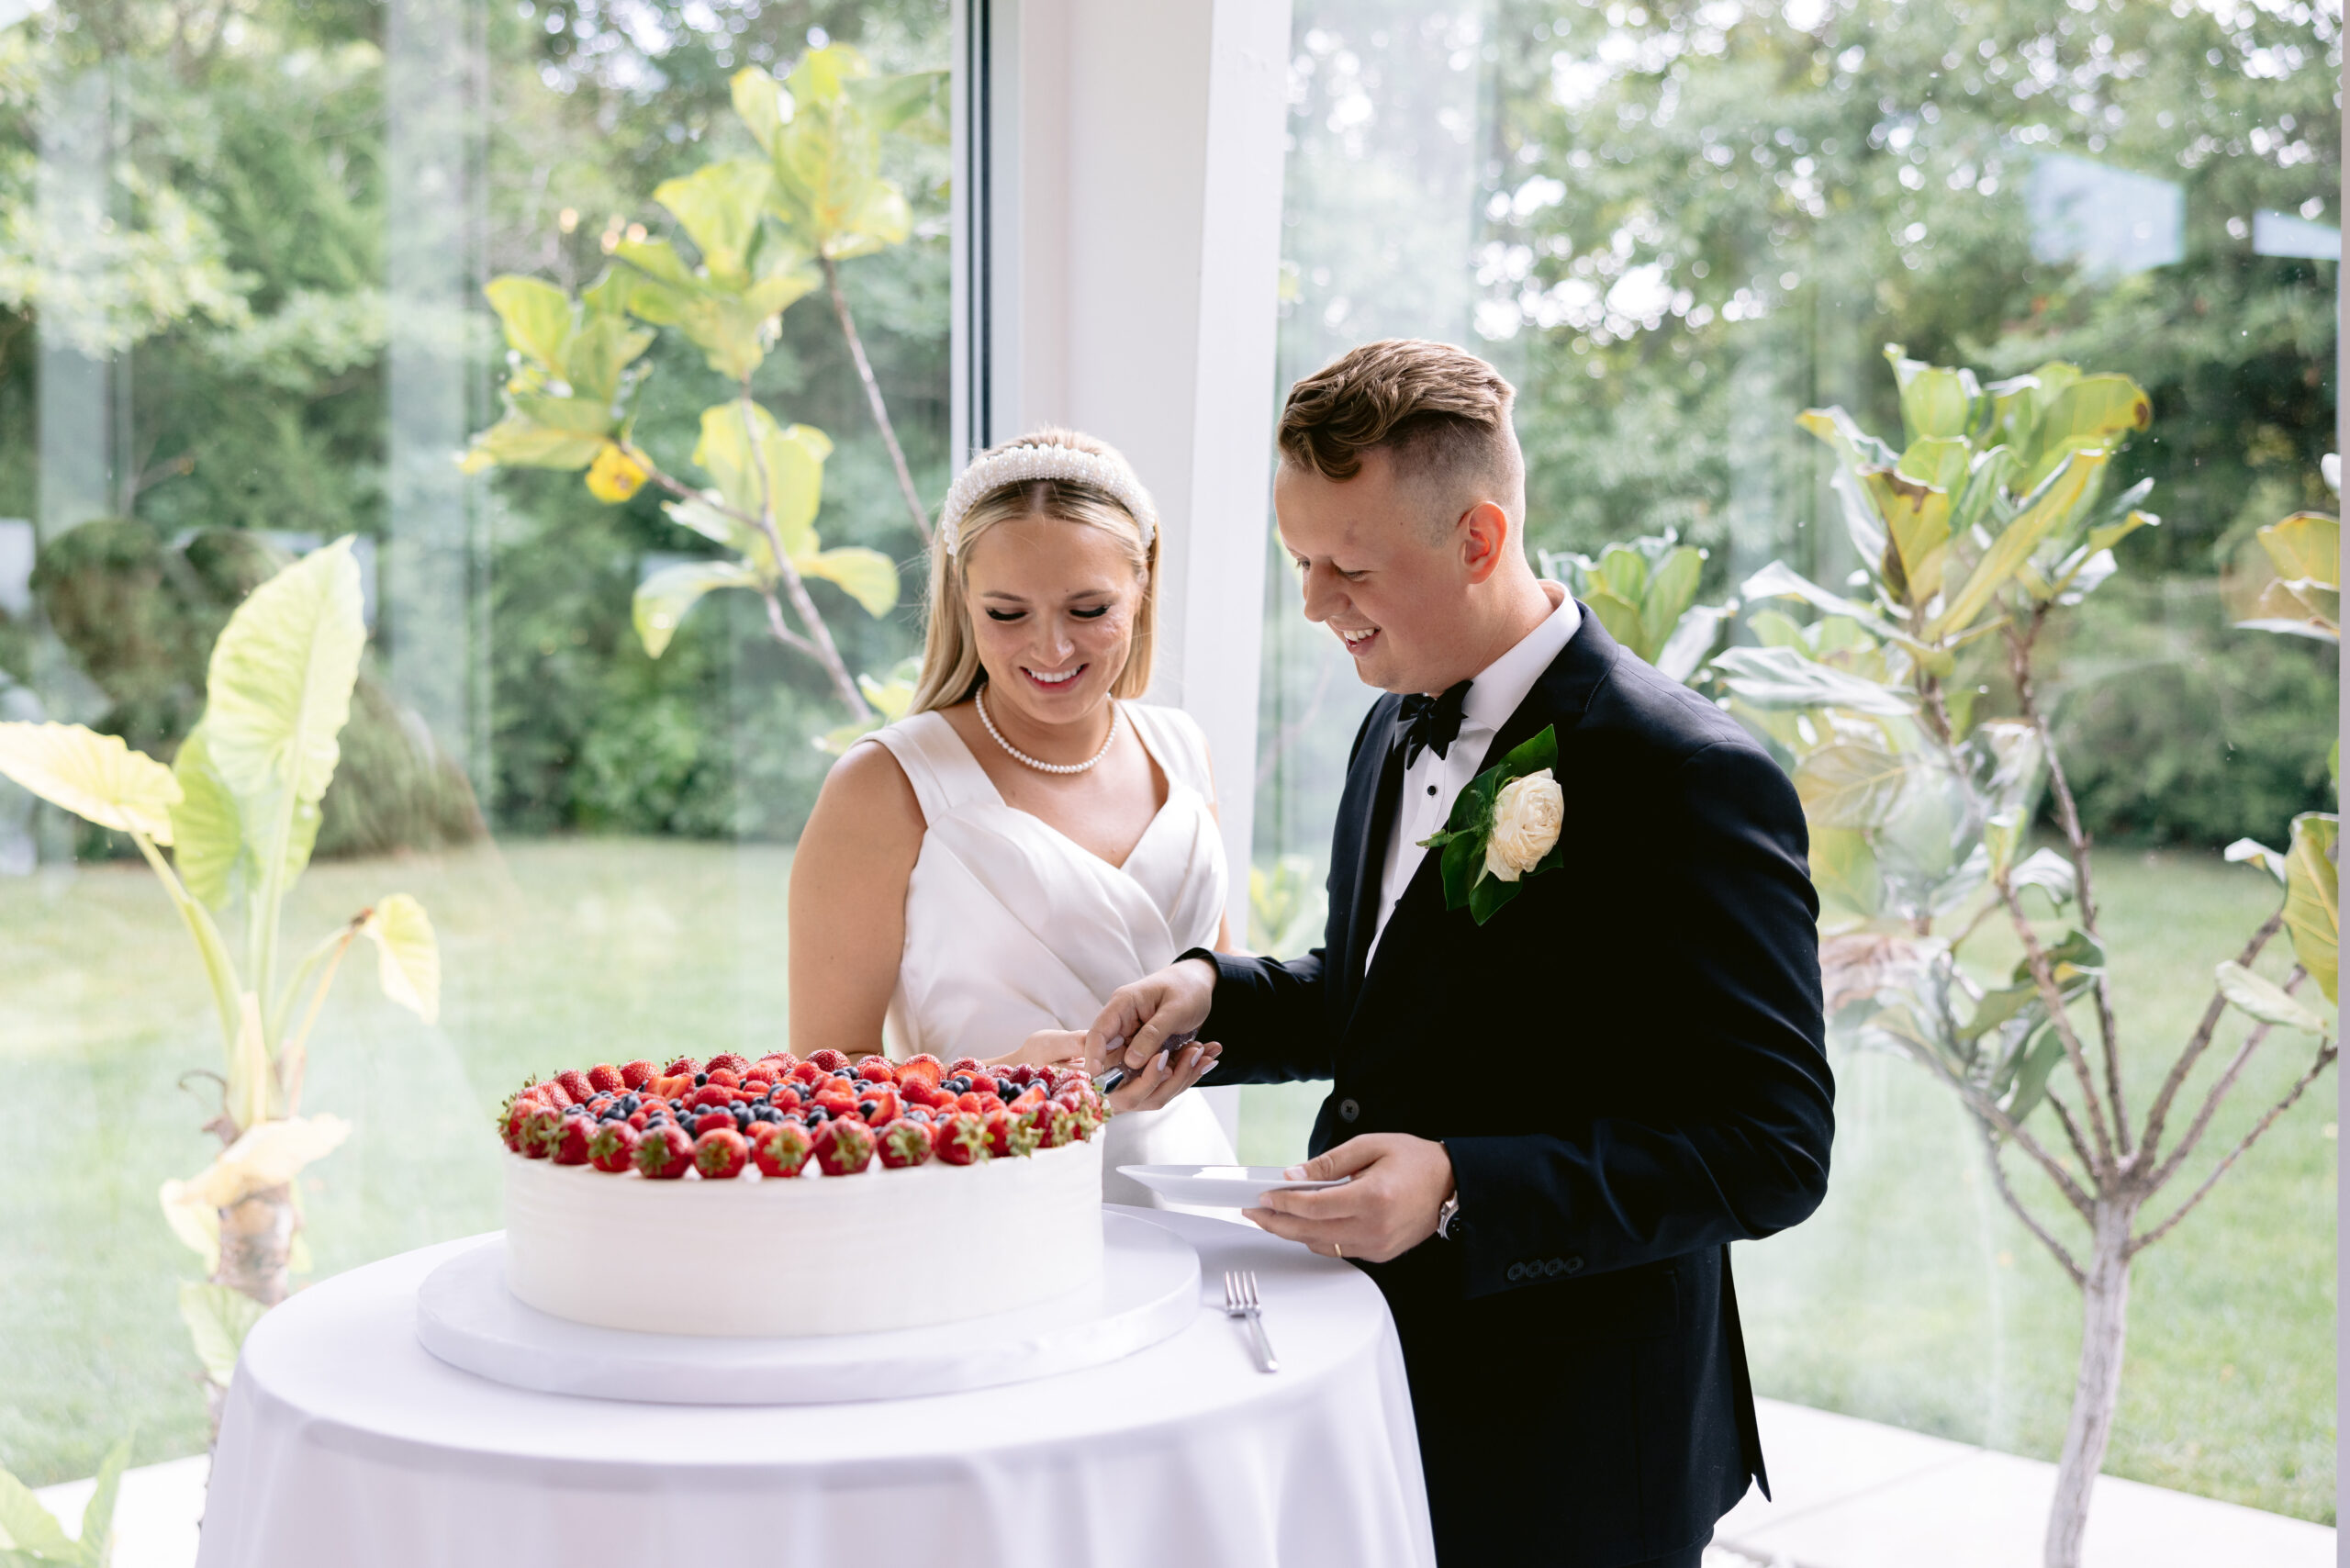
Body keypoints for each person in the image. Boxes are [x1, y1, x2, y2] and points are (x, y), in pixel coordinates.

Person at [1088, 341, 1835, 1567]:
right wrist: (1210, 996)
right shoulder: (1389, 723)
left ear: (1480, 539)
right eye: (1302, 564)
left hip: (1580, 1431)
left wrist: (1459, 1190)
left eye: (1350, 566)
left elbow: (1773, 1150)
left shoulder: (1690, 777)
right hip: (1367, 1378)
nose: (1318, 603)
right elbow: (1383, 1001)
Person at [789, 426, 1233, 1205]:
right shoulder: (885, 785)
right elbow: (817, 1080)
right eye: (1006, 612)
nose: (1051, 648)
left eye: (1089, 608)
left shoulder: (1184, 751)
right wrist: (995, 1089)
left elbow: (1229, 995)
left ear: (1144, 584)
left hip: (1190, 1189)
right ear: (962, 598)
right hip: (986, 1200)